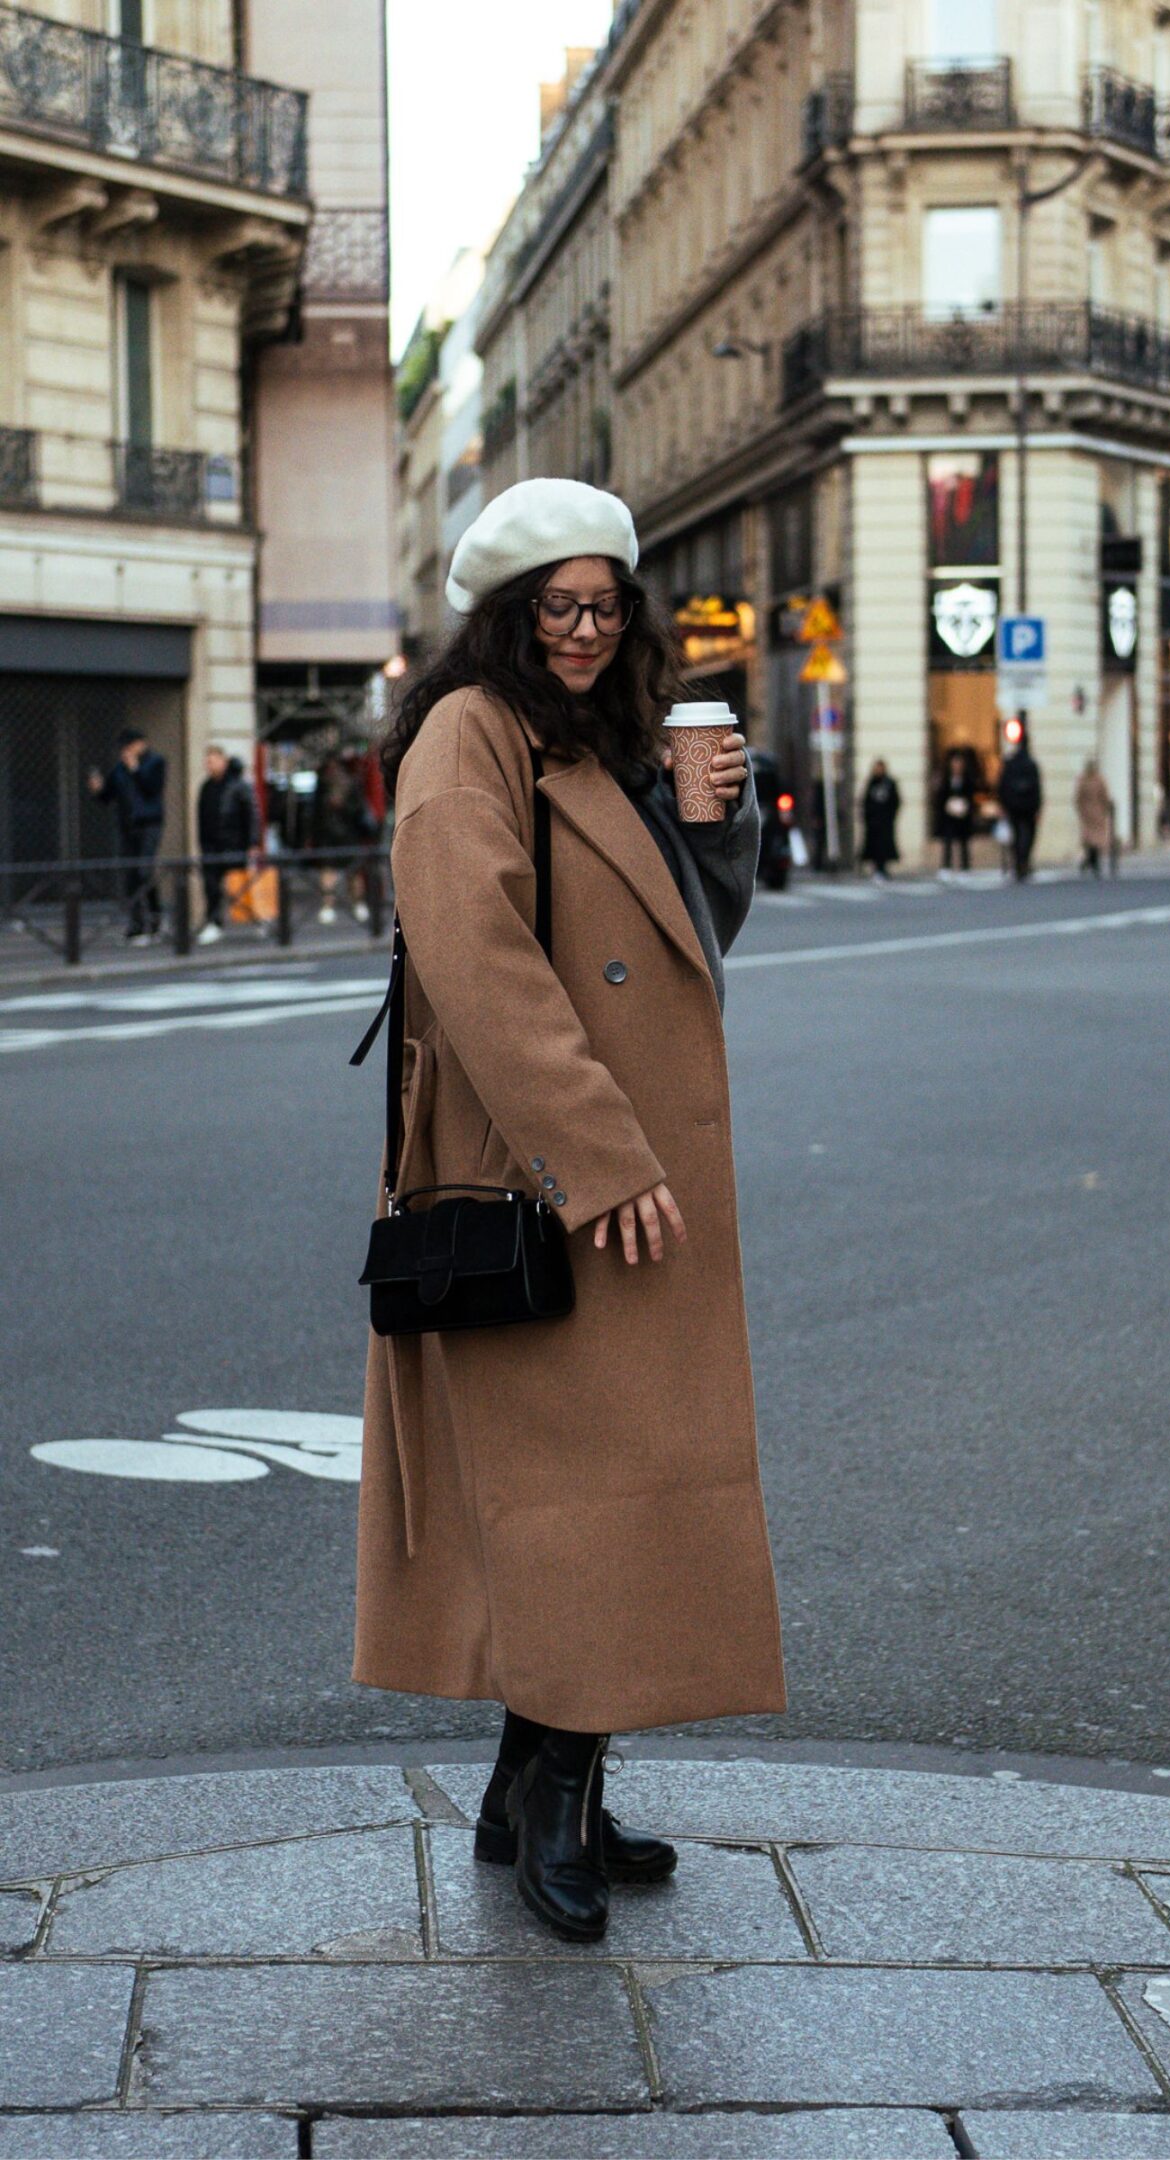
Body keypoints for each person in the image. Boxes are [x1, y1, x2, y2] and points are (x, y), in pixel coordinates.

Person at [354, 477, 786, 1945]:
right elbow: (476, 965)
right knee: (578, 1500)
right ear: (509, 612)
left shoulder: (591, 737)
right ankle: (552, 1810)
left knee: (605, 1495)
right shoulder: (467, 733)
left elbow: (680, 949)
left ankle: (533, 1796)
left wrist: (711, 834)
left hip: (623, 1170)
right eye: (562, 607)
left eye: (608, 604)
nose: (591, 630)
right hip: (549, 1173)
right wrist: (596, 1158)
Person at [87, 726, 166, 942]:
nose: (125, 751)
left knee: (144, 871)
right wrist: (97, 789)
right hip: (127, 826)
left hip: (149, 824)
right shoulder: (119, 770)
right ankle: (137, 923)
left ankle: (155, 919)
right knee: (130, 875)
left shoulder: (155, 763)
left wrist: (136, 769)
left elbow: (152, 789)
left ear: (141, 744)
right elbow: (107, 797)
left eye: (129, 746)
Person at [195, 746, 259, 945]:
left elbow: (252, 813)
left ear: (223, 761)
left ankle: (259, 919)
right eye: (207, 761)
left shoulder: (238, 785)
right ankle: (214, 923)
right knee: (211, 886)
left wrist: (253, 842)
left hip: (234, 844)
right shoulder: (206, 786)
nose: (209, 765)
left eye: (212, 760)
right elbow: (202, 817)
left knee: (242, 884)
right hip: (211, 845)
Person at [313, 754, 379, 924]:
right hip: (335, 836)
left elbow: (357, 810)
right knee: (336, 873)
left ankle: (351, 905)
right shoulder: (325, 785)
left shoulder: (342, 785)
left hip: (344, 835)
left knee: (348, 873)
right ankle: (335, 906)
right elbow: (315, 813)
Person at [998, 726, 1043, 879]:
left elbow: (1002, 786)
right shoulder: (1031, 764)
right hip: (1028, 806)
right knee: (1028, 835)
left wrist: (1003, 804)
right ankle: (1023, 861)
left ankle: (1019, 862)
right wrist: (1038, 807)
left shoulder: (1010, 763)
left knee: (1017, 835)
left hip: (1014, 805)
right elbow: (1037, 788)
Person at [934, 745, 981, 880]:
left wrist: (965, 806)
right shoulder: (946, 779)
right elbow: (940, 797)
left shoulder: (967, 779)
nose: (957, 766)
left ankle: (965, 867)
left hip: (963, 816)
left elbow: (972, 795)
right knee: (947, 842)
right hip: (949, 816)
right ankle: (946, 867)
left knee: (963, 842)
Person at [859, 758, 901, 882]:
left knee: (884, 847)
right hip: (873, 822)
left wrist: (891, 817)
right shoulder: (871, 782)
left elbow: (895, 801)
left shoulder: (890, 783)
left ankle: (883, 869)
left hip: (885, 822)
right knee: (874, 847)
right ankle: (876, 869)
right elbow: (866, 801)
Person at [1074, 758, 1112, 877]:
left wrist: (1081, 809)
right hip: (1097, 812)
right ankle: (1092, 861)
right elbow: (1104, 795)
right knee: (1096, 838)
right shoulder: (1099, 780)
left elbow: (1078, 797)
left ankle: (1090, 861)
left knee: (1090, 838)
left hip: (1087, 812)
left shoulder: (1083, 780)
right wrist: (1105, 808)